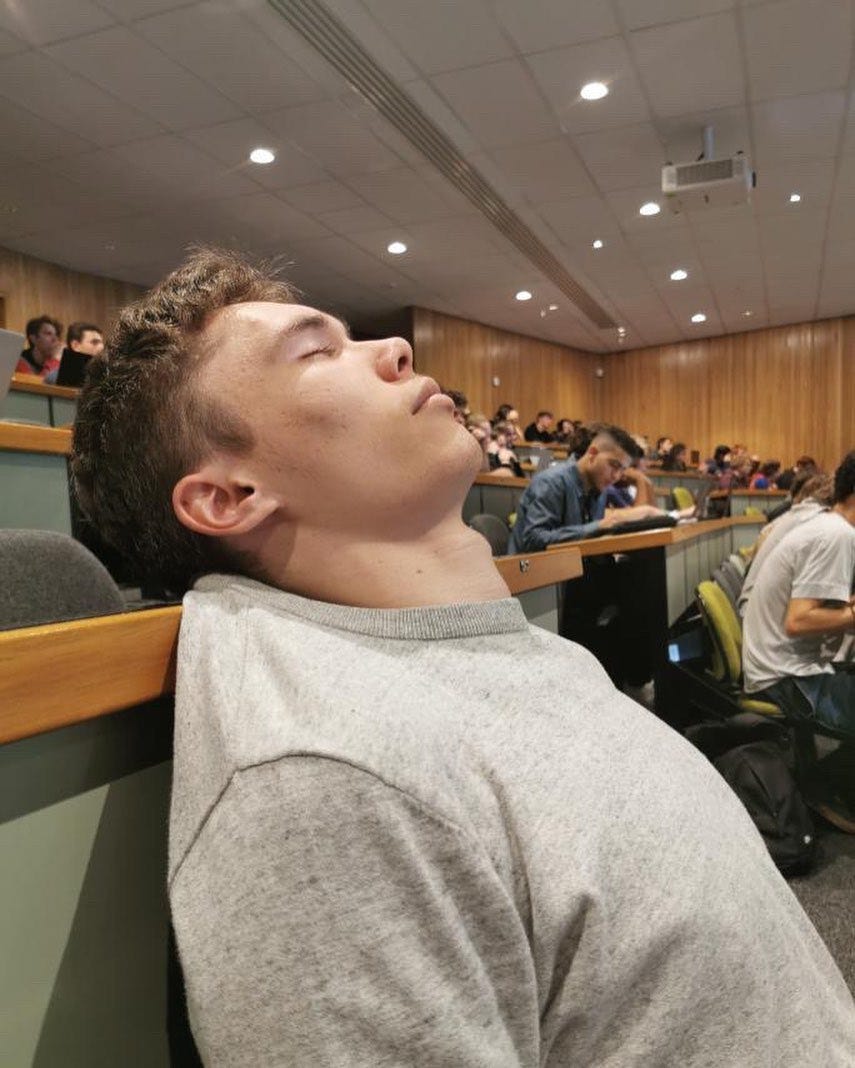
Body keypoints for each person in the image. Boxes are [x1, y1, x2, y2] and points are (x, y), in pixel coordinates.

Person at [71, 249, 855, 1064]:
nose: (394, 349)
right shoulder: (324, 777)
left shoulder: (516, 653)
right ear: (227, 497)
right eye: (316, 351)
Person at [742, 451, 855, 829]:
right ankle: (822, 786)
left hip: (782, 665)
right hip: (784, 677)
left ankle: (823, 782)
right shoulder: (838, 535)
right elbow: (799, 620)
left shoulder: (828, 525)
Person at [508, 423, 663, 552]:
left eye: (622, 470)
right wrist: (599, 526)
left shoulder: (599, 485)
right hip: (533, 574)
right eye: (614, 465)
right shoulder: (552, 482)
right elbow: (533, 540)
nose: (616, 476)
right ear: (592, 454)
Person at [738, 474, 834, 618]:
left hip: (759, 611)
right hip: (759, 615)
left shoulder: (794, 520)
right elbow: (799, 618)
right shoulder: (809, 525)